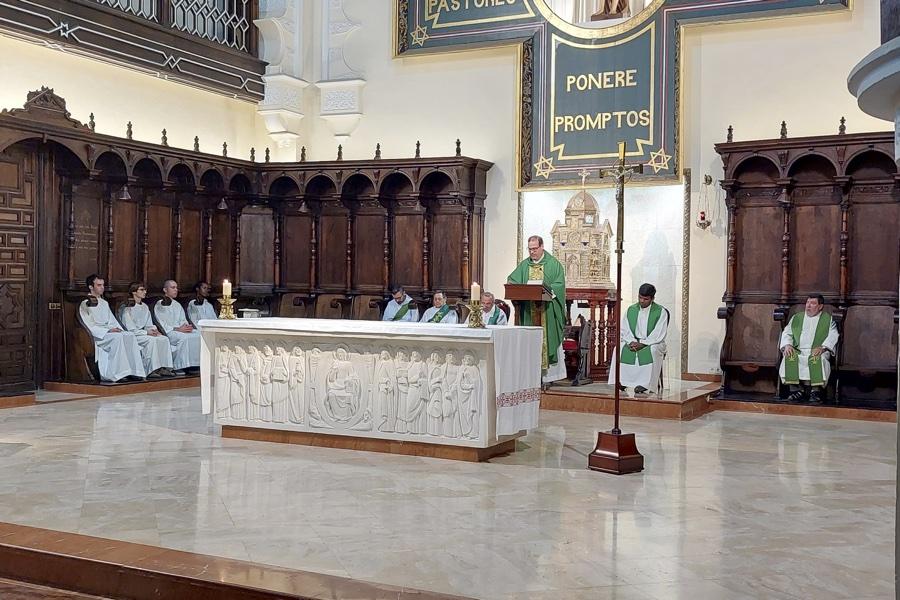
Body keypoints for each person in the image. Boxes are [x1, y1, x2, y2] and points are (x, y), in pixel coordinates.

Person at [507, 235, 566, 382]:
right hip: (528, 311)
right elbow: (512, 280)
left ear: (542, 247)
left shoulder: (553, 264)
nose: (532, 252)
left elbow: (559, 285)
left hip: (547, 311)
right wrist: (513, 286)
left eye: (534, 249)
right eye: (530, 249)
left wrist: (549, 289)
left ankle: (547, 378)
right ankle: (529, 376)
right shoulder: (524, 265)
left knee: (547, 339)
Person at [78, 274, 144, 382]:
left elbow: (112, 321)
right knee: (117, 338)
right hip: (97, 336)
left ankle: (134, 371)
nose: (102, 287)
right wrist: (108, 330)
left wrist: (117, 329)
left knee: (129, 335)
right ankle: (117, 374)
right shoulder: (85, 303)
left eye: (103, 285)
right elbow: (88, 325)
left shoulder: (104, 303)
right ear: (91, 287)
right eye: (99, 285)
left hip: (109, 332)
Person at [609, 283, 668, 395]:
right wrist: (631, 342)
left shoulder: (661, 312)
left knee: (652, 350)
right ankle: (622, 381)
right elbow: (625, 330)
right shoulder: (631, 310)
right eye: (640, 297)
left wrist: (643, 343)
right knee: (619, 348)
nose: (642, 301)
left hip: (653, 342)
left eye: (645, 299)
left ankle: (646, 385)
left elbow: (659, 333)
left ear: (652, 298)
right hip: (633, 341)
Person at [779, 293, 839, 404]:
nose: (808, 306)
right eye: (807, 302)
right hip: (798, 350)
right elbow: (787, 332)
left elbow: (833, 334)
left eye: (812, 303)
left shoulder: (827, 319)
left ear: (820, 306)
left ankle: (815, 392)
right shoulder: (797, 317)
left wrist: (823, 347)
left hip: (818, 350)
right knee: (789, 356)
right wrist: (787, 345)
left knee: (817, 359)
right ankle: (795, 390)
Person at [119, 282, 175, 378]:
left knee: (163, 339)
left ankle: (164, 367)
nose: (145, 292)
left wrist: (153, 330)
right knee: (151, 340)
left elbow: (149, 323)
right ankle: (151, 369)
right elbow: (130, 328)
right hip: (134, 334)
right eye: (141, 290)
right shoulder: (127, 307)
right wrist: (146, 332)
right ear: (134, 292)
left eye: (145, 290)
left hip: (144, 333)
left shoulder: (144, 306)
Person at [153, 279, 201, 372]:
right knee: (183, 338)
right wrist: (177, 329)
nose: (176, 290)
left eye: (176, 288)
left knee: (198, 334)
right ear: (165, 290)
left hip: (180, 329)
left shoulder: (177, 304)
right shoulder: (159, 304)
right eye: (173, 287)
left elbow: (183, 320)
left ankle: (194, 364)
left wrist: (187, 327)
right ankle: (180, 366)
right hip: (169, 331)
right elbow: (160, 323)